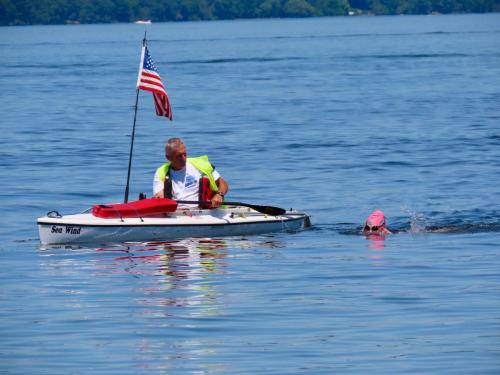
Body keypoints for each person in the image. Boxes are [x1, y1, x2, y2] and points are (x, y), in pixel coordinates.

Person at [153, 138, 228, 208]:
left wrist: (219, 195)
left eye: (185, 154)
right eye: (179, 156)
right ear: (168, 158)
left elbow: (223, 183)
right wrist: (160, 197)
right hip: (174, 213)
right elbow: (159, 195)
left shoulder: (200, 165)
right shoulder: (161, 172)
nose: (184, 158)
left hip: (203, 212)